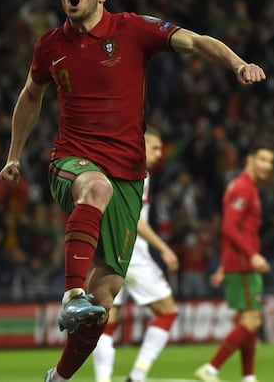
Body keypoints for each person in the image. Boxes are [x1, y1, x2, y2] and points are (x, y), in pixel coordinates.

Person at [0, 0, 266, 382]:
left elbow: (196, 41)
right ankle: (70, 294)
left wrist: (237, 63)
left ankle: (59, 378)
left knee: (103, 301)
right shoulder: (50, 45)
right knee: (95, 191)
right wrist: (13, 154)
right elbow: (31, 96)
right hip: (72, 161)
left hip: (128, 177)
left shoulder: (132, 30)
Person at [92, 127, 180, 382]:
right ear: (140, 145)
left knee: (108, 319)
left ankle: (103, 379)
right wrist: (164, 249)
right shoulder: (137, 172)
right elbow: (136, 221)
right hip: (132, 255)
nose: (159, 153)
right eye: (154, 147)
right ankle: (138, 375)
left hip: (110, 251)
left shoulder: (118, 168)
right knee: (167, 311)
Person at [194, 142, 274, 382]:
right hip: (243, 263)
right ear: (249, 159)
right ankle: (210, 368)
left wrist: (223, 264)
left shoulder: (248, 187)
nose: (267, 166)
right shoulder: (242, 188)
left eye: (270, 162)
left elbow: (238, 229)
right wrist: (251, 255)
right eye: (262, 159)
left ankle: (248, 377)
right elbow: (229, 226)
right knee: (253, 319)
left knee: (248, 322)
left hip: (237, 261)